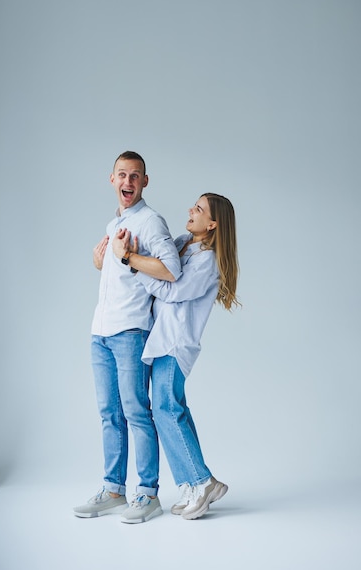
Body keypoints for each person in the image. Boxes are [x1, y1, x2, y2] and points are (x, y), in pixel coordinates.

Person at [113, 192, 239, 520]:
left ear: (212, 224)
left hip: (176, 343)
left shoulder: (207, 261)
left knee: (167, 409)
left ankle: (202, 480)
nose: (190, 211)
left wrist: (130, 261)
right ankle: (190, 485)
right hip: (162, 340)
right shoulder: (185, 242)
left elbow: (171, 290)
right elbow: (162, 266)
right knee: (172, 409)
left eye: (199, 209)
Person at [73, 151, 181, 524]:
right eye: (122, 175)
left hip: (131, 332)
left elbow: (171, 269)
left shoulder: (151, 222)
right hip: (100, 331)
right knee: (109, 413)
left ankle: (148, 494)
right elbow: (121, 271)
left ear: (145, 182)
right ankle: (114, 490)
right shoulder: (112, 223)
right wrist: (101, 263)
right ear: (112, 179)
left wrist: (126, 258)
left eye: (135, 176)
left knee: (136, 412)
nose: (128, 182)